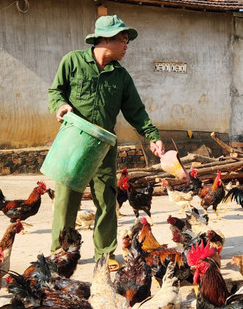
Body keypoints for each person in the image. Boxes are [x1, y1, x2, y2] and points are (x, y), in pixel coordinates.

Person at [47, 14, 164, 264]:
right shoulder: (73, 61)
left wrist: (152, 136)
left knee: (106, 200)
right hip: (73, 143)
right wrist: (60, 106)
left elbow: (136, 111)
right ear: (106, 39)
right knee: (66, 201)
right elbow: (56, 91)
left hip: (103, 147)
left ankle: (104, 254)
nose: (126, 46)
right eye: (123, 40)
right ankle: (60, 253)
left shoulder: (121, 76)